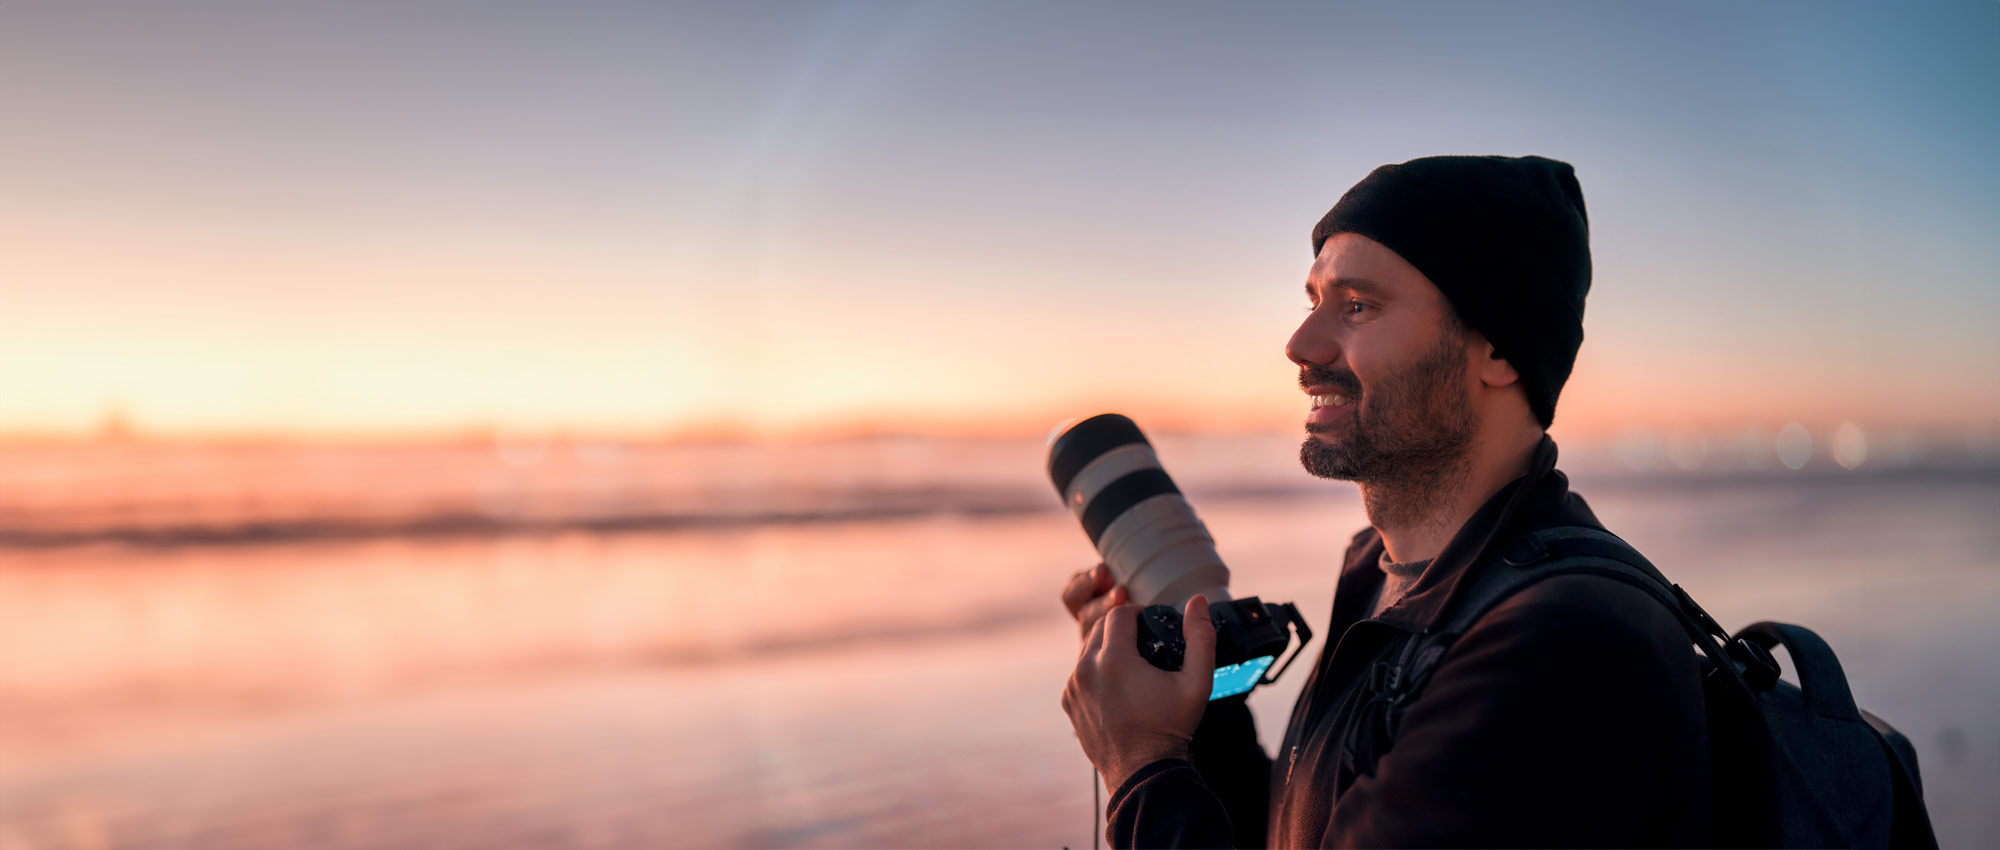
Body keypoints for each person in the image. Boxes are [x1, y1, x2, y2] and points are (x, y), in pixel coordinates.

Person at [1058, 155, 1711, 848]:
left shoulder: (1560, 651)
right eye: (1313, 302)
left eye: (1357, 306)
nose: (1300, 344)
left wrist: (1139, 767)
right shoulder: (1379, 568)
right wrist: (1191, 706)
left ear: (1499, 350)